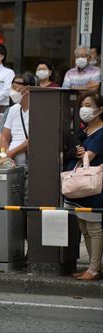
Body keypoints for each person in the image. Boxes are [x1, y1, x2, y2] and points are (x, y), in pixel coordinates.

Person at [64, 91, 102, 281]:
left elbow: (91, 156)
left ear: (100, 109)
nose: (84, 109)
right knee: (85, 228)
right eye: (82, 105)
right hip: (81, 187)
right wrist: (75, 151)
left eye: (88, 105)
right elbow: (72, 151)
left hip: (93, 187)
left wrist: (81, 152)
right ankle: (93, 267)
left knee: (94, 227)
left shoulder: (101, 132)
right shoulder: (83, 131)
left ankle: (94, 269)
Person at [0, 73, 36, 167]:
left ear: (27, 89)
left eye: (15, 88)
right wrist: (4, 154)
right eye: (12, 88)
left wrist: (11, 153)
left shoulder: (38, 109)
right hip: (12, 162)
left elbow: (35, 138)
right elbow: (4, 136)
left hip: (30, 160)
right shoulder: (13, 109)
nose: (12, 92)